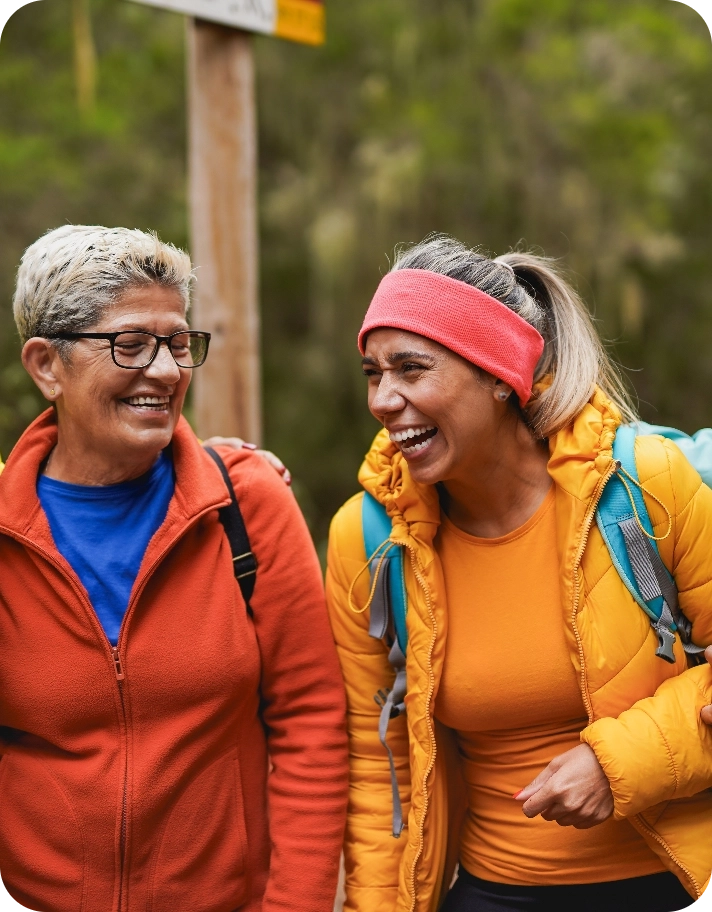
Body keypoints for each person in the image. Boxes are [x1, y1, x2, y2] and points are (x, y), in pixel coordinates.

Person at [326, 235, 712, 912]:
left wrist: (618, 763)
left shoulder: (646, 485)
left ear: (500, 375)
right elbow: (377, 764)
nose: (384, 400)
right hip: (492, 895)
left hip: (678, 882)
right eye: (372, 373)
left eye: (411, 369)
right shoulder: (370, 538)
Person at [0, 225, 348, 912]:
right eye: (129, 344)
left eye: (179, 344)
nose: (164, 371)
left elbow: (311, 723)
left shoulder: (247, 504)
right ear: (46, 366)